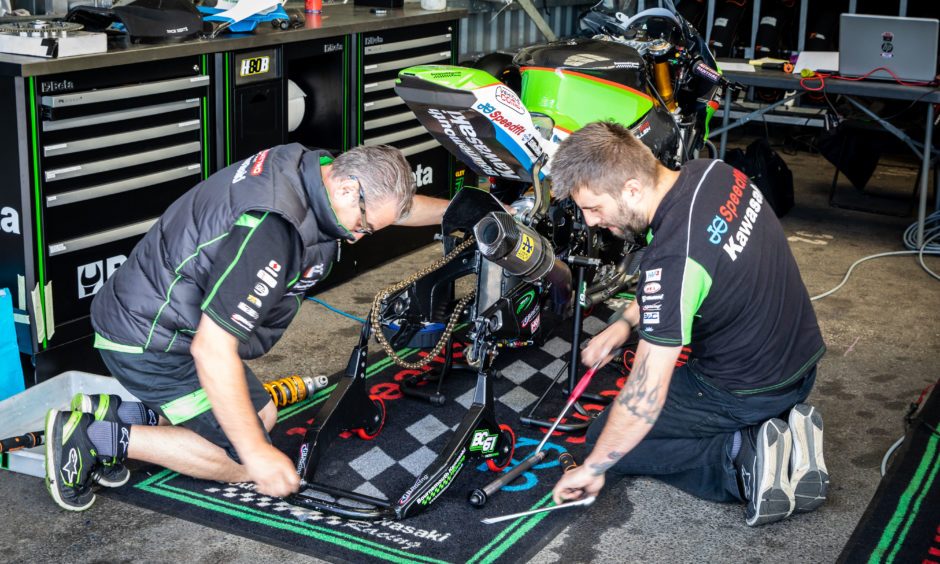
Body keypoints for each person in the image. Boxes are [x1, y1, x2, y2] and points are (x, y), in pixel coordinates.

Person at [43, 143, 451, 511]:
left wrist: (467, 212)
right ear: (347, 188)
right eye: (362, 226)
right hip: (152, 340)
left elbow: (396, 207)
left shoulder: (315, 167)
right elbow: (212, 349)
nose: (358, 237)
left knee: (262, 412)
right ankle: (90, 438)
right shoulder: (272, 230)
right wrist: (256, 455)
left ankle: (121, 413)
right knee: (242, 458)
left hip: (164, 314)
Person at [548, 122, 828, 527]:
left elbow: (645, 396)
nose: (591, 222)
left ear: (631, 189)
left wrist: (593, 468)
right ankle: (782, 433)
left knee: (604, 438)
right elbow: (694, 272)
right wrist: (626, 321)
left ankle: (742, 458)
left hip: (746, 390)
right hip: (800, 363)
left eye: (594, 208)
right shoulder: (712, 172)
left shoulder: (673, 259)